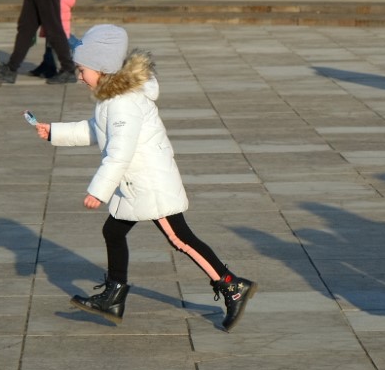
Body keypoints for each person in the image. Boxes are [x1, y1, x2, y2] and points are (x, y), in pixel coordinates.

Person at [30, 24, 256, 330]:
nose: (79, 77)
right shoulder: (113, 98)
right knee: (113, 232)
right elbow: (97, 130)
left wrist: (98, 191)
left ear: (102, 68)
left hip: (149, 183)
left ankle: (232, 285)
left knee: (180, 238)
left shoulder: (123, 103)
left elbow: (119, 153)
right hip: (135, 183)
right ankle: (114, 296)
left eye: (82, 70)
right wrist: (54, 132)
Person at [31, 0, 77, 78]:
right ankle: (48, 66)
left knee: (54, 48)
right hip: (61, 27)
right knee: (53, 46)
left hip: (55, 27)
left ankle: (52, 68)